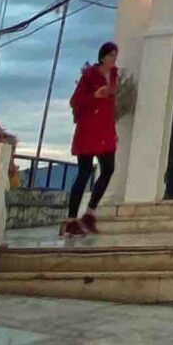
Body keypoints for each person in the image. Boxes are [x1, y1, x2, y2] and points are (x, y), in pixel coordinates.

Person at [64, 41, 120, 236]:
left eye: (115, 54)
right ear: (103, 56)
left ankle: (90, 211)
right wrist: (95, 95)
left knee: (108, 168)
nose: (114, 58)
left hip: (105, 129)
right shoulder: (89, 75)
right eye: (111, 54)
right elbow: (75, 100)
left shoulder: (114, 76)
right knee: (84, 171)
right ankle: (71, 219)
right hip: (89, 128)